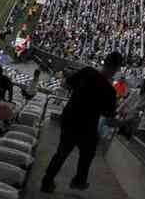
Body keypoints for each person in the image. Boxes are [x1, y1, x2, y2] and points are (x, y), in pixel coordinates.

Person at [40, 51, 123, 194]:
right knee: (88, 153)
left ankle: (47, 181)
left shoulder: (87, 72)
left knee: (62, 152)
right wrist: (124, 123)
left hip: (70, 119)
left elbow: (67, 84)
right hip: (86, 126)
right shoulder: (110, 91)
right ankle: (78, 181)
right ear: (116, 69)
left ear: (105, 61)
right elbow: (109, 118)